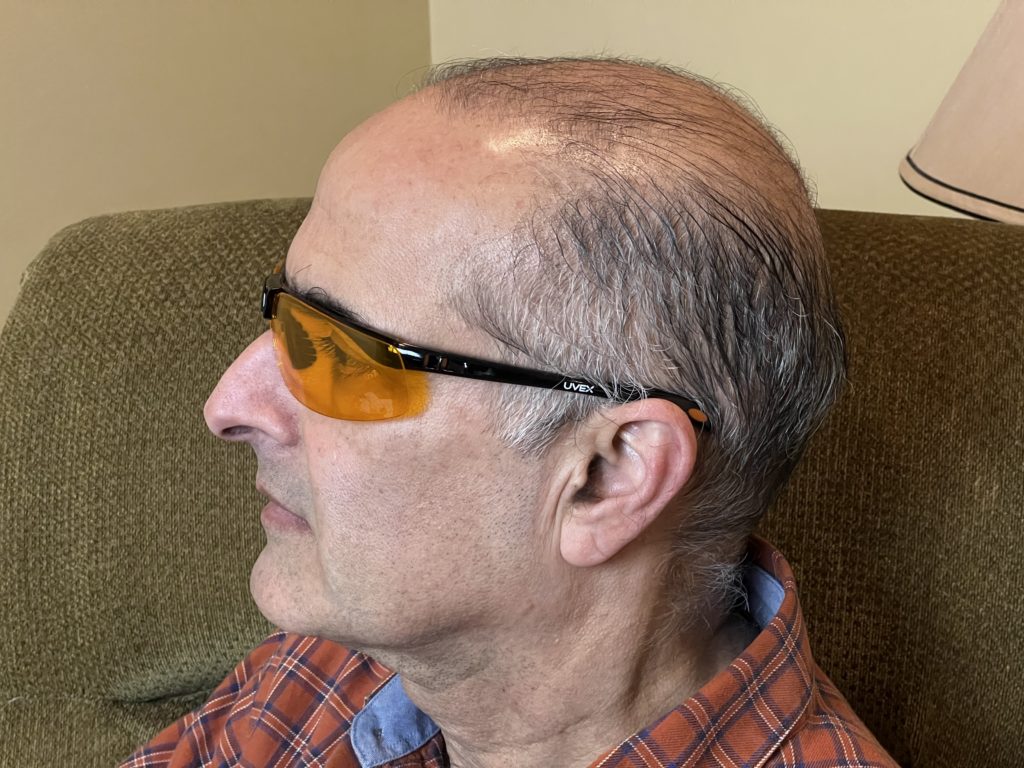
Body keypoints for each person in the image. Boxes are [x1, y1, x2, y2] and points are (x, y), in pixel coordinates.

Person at [120, 57, 896, 767]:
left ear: (606, 477)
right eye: (286, 318)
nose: (227, 406)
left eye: (341, 353)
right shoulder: (333, 662)